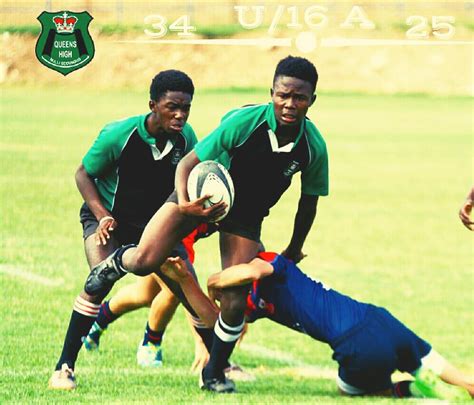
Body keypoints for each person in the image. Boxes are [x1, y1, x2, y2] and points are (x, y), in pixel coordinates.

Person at [84, 55, 329, 392]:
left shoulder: (313, 146)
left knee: (234, 294)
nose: (289, 104)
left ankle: (214, 369)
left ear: (312, 100)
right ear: (271, 93)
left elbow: (309, 202)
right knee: (151, 270)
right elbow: (187, 163)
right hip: (200, 200)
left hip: (244, 217)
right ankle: (116, 312)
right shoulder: (244, 122)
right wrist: (185, 205)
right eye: (283, 95)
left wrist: (294, 247)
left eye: (299, 97)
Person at [49, 69, 217, 390]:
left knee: (186, 287)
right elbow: (83, 173)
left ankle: (217, 370)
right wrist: (101, 216)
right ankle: (63, 368)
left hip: (154, 225)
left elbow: (189, 181)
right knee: (99, 280)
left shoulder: (186, 138)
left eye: (185, 108)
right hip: (109, 220)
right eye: (172, 107)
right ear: (153, 105)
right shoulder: (119, 134)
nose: (180, 115)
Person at [159, 253, 474, 399]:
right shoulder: (253, 302)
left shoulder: (270, 263)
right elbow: (219, 325)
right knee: (431, 362)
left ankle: (414, 390)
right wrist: (185, 281)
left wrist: (212, 283)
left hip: (354, 342)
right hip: (380, 319)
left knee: (350, 390)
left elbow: (250, 272)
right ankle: (461, 385)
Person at [83, 224, 216, 369]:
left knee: (144, 293)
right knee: (173, 290)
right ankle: (151, 343)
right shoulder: (186, 219)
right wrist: (202, 342)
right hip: (155, 237)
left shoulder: (223, 215)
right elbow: (185, 287)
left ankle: (97, 321)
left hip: (158, 237)